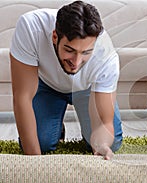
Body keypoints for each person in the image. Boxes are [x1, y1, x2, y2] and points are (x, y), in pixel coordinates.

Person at [10, 0, 122, 159]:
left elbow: (105, 122)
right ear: (55, 36)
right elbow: (22, 97)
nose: (76, 62)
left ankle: (86, 130)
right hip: (46, 86)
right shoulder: (31, 27)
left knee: (113, 143)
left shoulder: (106, 57)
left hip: (87, 89)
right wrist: (35, 162)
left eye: (85, 53)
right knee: (40, 144)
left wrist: (101, 145)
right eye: (70, 50)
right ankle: (55, 125)